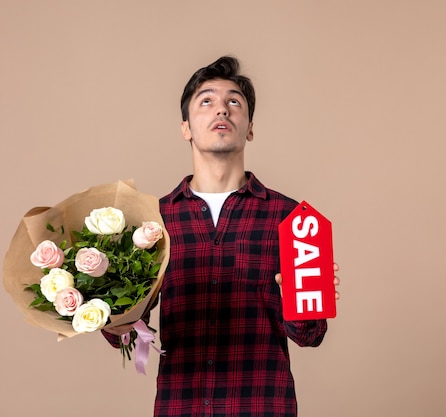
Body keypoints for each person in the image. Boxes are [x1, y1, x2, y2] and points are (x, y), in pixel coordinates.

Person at [104, 56, 339, 417]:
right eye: (207, 101)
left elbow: (311, 336)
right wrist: (99, 297)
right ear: (186, 127)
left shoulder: (293, 219)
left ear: (250, 128)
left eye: (234, 102)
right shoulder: (154, 222)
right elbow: (128, 332)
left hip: (264, 407)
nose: (222, 110)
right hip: (179, 407)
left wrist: (303, 295)